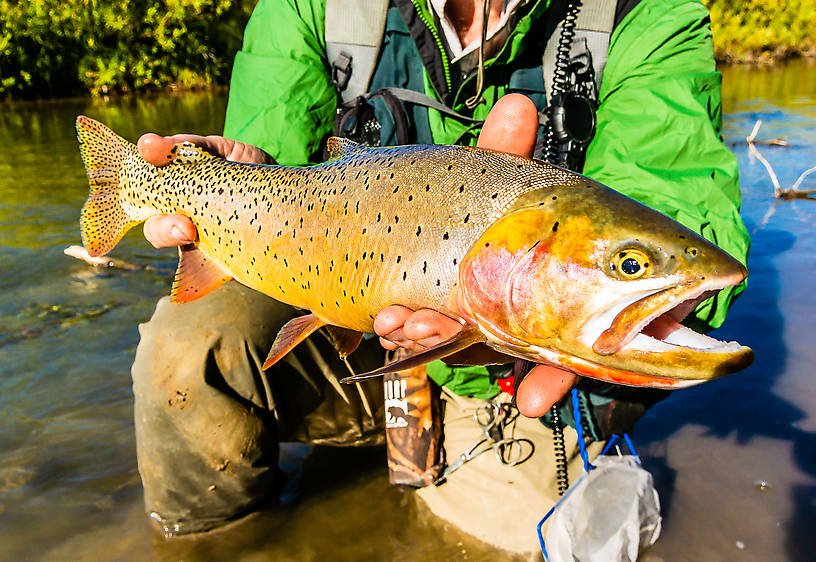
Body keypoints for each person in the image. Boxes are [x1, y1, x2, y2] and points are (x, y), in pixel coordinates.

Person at [131, 0, 750, 554]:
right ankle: (212, 544)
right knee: (188, 349)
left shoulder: (649, 13)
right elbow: (264, 148)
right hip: (347, 336)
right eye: (630, 267)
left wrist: (630, 303)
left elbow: (679, 199)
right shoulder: (311, 6)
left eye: (629, 267)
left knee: (501, 544)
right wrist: (220, 177)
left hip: (514, 374)